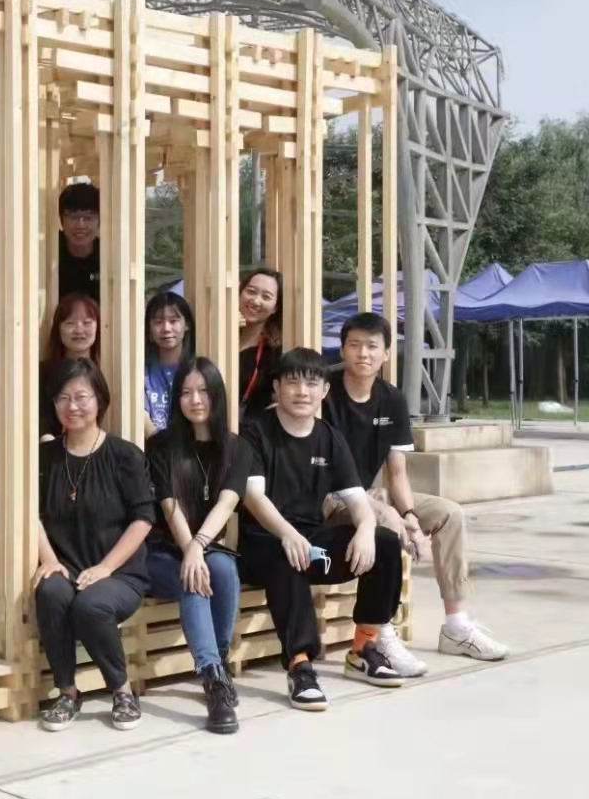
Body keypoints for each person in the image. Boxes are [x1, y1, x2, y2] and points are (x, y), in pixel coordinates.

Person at [323, 312, 507, 674]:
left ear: (386, 353)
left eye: (372, 346)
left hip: (371, 493)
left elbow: (397, 472)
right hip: (330, 497)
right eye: (355, 345)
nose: (363, 353)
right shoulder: (325, 391)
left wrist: (409, 515)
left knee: (449, 514)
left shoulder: (391, 399)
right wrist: (392, 516)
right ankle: (380, 633)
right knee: (387, 522)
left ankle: (456, 625)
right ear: (342, 350)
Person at [239, 348, 408, 711]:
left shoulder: (329, 437)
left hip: (312, 540)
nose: (302, 392)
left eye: (312, 383)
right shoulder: (255, 432)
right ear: (276, 388)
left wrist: (366, 529)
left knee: (385, 543)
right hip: (263, 542)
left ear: (324, 391)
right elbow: (253, 497)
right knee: (289, 554)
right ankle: (299, 665)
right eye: (293, 383)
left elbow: (357, 499)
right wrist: (287, 534)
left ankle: (364, 647)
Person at [34, 358, 154, 732]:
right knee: (50, 591)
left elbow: (143, 519)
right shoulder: (45, 458)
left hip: (119, 573)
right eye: (63, 398)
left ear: (99, 399)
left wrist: (105, 568)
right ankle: (67, 692)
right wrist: (48, 560)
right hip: (66, 566)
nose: (72, 406)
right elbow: (29, 514)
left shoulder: (124, 455)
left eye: (81, 396)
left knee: (91, 604)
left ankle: (122, 691)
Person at [143, 357, 254, 734]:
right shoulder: (161, 446)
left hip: (206, 546)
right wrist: (190, 549)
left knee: (222, 567)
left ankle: (218, 663)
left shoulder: (237, 449)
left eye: (203, 391)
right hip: (161, 550)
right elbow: (169, 505)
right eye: (186, 392)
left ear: (217, 395)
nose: (195, 400)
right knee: (191, 576)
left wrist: (198, 546)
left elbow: (227, 502)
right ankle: (212, 677)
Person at [39, 293, 99, 438]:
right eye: (70, 323)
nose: (79, 330)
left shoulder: (108, 370)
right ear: (58, 329)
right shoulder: (42, 373)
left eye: (87, 323)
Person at [142, 290, 194, 438]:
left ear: (187, 325)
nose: (166, 328)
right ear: (149, 328)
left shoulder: (197, 370)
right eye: (158, 322)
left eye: (173, 321)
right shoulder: (140, 372)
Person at [236, 268, 283, 421]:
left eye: (266, 297)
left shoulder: (275, 352)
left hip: (250, 430)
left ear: (275, 307)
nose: (256, 301)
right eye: (251, 291)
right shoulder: (214, 335)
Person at [56, 181, 101, 303]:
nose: (81, 225)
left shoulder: (107, 256)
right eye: (73, 217)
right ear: (61, 220)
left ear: (99, 221)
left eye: (88, 218)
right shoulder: (49, 251)